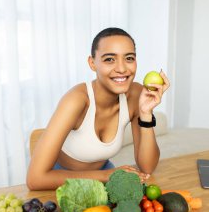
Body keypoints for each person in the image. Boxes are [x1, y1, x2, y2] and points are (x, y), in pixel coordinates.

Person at [26, 27, 170, 190]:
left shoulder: (136, 94)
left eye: (129, 58)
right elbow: (35, 179)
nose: (122, 68)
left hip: (105, 173)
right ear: (92, 63)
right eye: (109, 59)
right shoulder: (77, 100)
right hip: (61, 178)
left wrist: (146, 113)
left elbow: (147, 167)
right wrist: (105, 176)